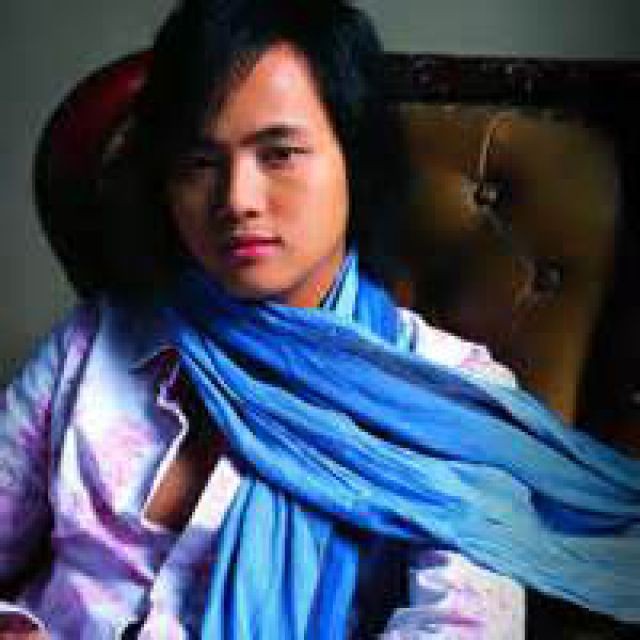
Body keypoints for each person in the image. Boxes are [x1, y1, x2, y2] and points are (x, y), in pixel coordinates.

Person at [1, 0, 638, 638]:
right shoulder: (94, 343)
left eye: (279, 154)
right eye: (199, 163)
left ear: (355, 162)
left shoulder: (448, 398)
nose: (237, 200)